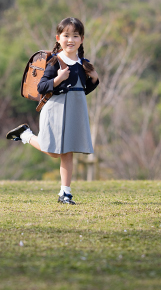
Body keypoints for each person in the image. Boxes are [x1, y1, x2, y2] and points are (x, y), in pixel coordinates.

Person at [6, 17, 100, 205]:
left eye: (75, 35)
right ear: (58, 38)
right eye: (66, 35)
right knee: (54, 152)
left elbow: (82, 90)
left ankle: (65, 193)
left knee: (67, 152)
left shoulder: (84, 63)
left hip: (75, 111)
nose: (70, 40)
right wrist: (58, 79)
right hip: (55, 109)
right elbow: (42, 87)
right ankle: (26, 135)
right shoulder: (54, 61)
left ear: (82, 39)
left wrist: (94, 79)